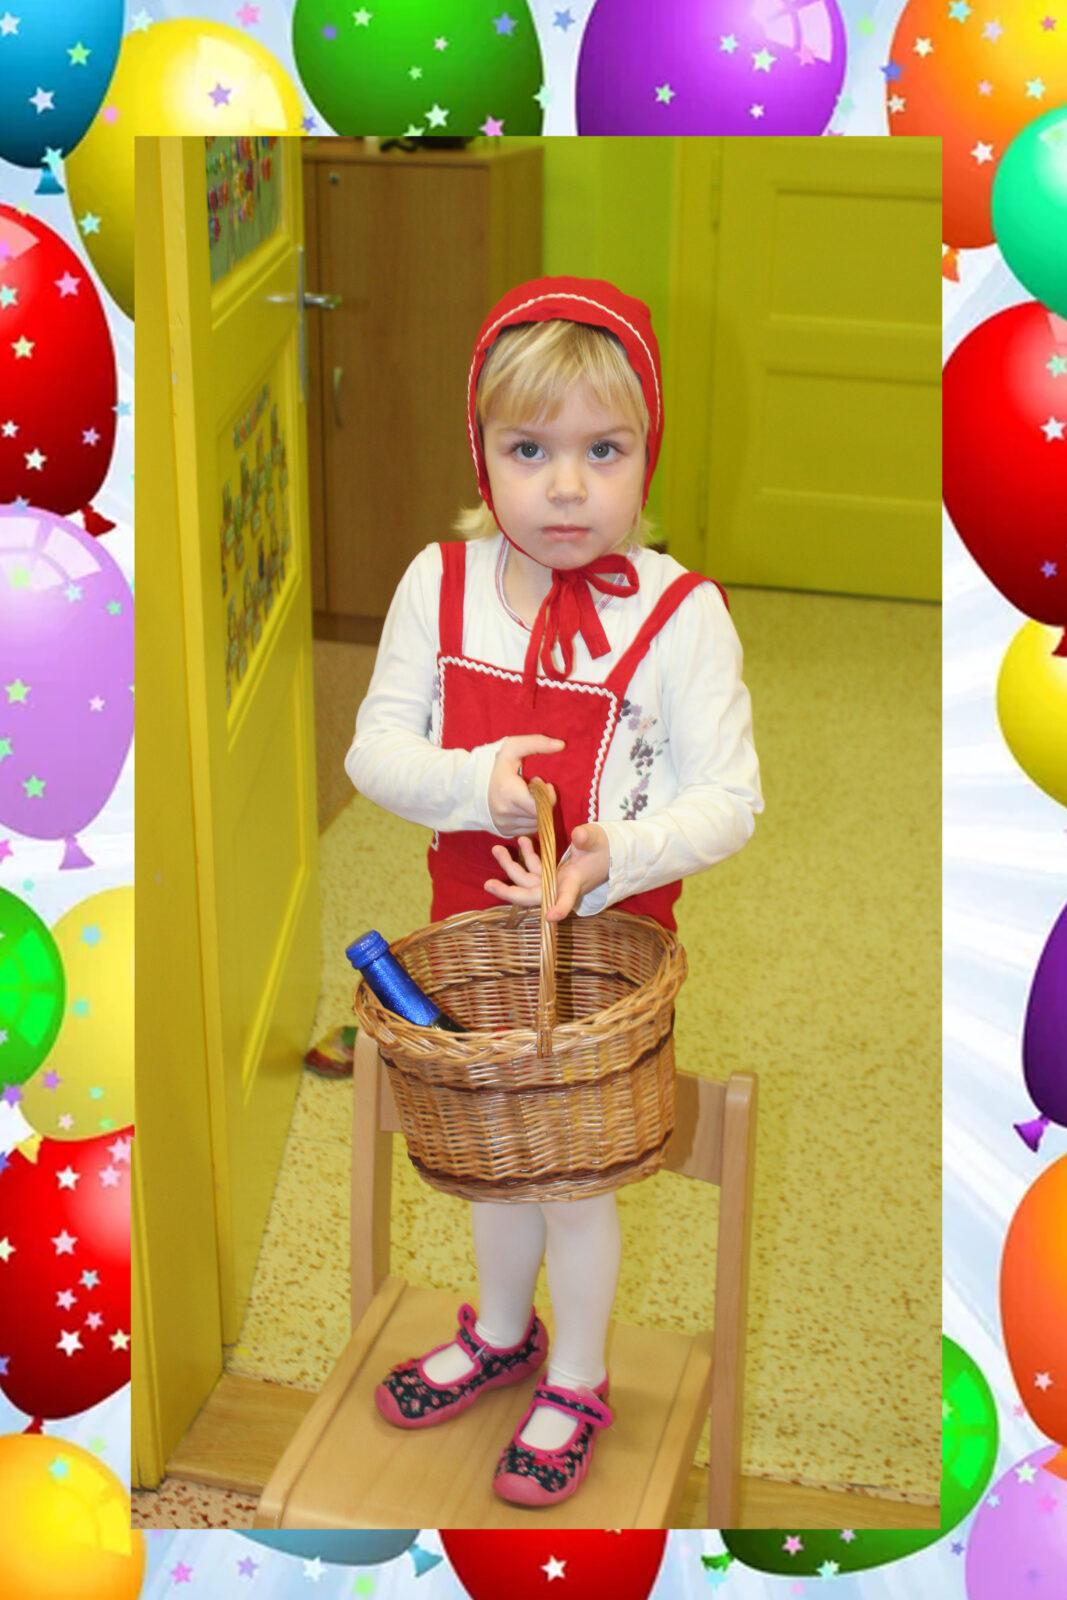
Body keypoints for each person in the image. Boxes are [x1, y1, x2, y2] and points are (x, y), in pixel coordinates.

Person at [345, 274, 763, 1509]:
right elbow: (372, 752)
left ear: (647, 454)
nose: (566, 486)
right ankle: (498, 1330)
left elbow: (729, 799)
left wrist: (609, 854)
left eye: (603, 450)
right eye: (529, 450)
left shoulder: (682, 616)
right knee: (493, 1156)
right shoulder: (436, 583)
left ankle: (575, 1374)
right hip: (468, 952)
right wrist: (473, 784)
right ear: (479, 452)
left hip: (602, 969)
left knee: (573, 1180)